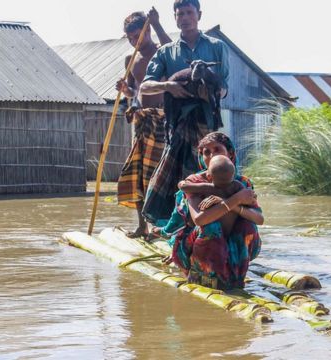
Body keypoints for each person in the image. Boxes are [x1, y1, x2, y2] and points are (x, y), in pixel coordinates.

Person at [139, 0, 230, 224]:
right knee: (173, 176)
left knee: (210, 171)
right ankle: (176, 225)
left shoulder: (217, 46)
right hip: (177, 123)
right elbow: (145, 86)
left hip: (207, 123)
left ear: (199, 15)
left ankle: (214, 221)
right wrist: (168, 86)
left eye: (189, 13)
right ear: (175, 18)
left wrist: (209, 93)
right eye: (180, 14)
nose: (185, 18)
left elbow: (225, 88)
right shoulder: (166, 52)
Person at [167, 132, 263, 290]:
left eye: (217, 150)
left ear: (230, 153)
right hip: (200, 244)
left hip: (232, 241)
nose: (211, 155)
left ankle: (236, 277)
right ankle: (204, 277)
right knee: (211, 227)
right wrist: (234, 200)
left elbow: (259, 218)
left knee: (248, 225)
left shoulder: (242, 184)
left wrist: (235, 205)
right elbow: (200, 220)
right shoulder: (196, 182)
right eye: (206, 152)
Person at [115, 8, 172, 238]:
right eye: (129, 38)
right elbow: (133, 91)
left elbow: (173, 49)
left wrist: (157, 24)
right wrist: (125, 90)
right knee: (137, 174)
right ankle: (142, 226)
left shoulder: (163, 52)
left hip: (162, 119)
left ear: (147, 31)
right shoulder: (131, 60)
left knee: (157, 175)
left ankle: (161, 227)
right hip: (140, 121)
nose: (133, 41)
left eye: (137, 35)